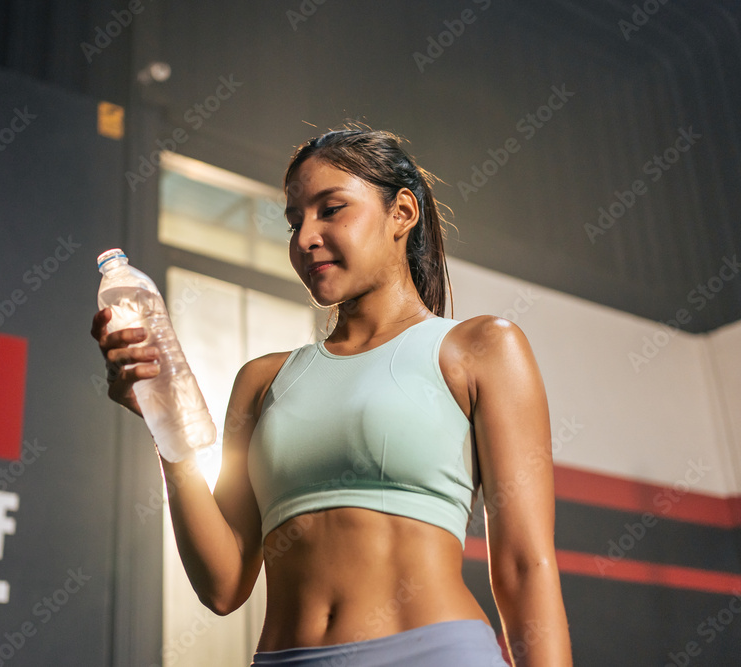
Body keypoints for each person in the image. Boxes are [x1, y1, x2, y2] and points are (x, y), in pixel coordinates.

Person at [91, 128, 573, 666]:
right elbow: (223, 585)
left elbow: (525, 565)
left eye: (332, 209)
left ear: (402, 212)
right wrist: (166, 422)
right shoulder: (261, 381)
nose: (305, 237)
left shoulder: (481, 348)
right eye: (296, 221)